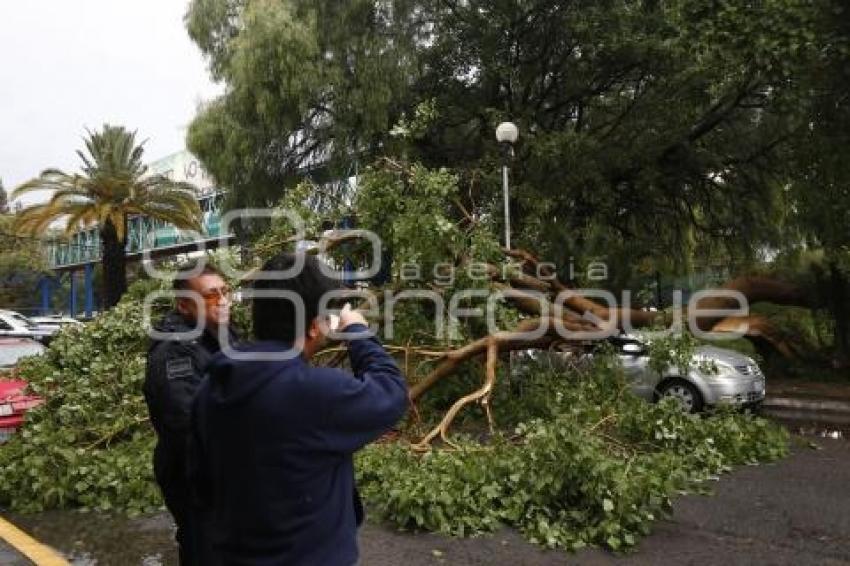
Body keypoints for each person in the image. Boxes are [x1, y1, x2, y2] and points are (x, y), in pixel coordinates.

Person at [190, 252, 408, 566]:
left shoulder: (210, 387)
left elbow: (200, 486)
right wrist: (358, 332)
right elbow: (391, 392)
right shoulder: (314, 392)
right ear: (313, 327)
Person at [143, 260, 237, 566]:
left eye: (225, 291)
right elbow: (184, 423)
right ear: (184, 306)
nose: (222, 301)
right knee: (205, 551)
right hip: (195, 478)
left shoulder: (221, 336)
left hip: (223, 475)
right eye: (210, 295)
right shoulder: (175, 350)